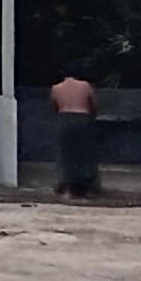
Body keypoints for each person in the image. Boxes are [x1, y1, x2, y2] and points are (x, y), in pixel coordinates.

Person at [48, 71, 102, 199]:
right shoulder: (85, 86)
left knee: (66, 154)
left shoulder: (56, 88)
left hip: (65, 119)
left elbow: (54, 107)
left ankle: (68, 187)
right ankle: (88, 187)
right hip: (83, 118)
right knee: (86, 154)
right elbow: (94, 105)